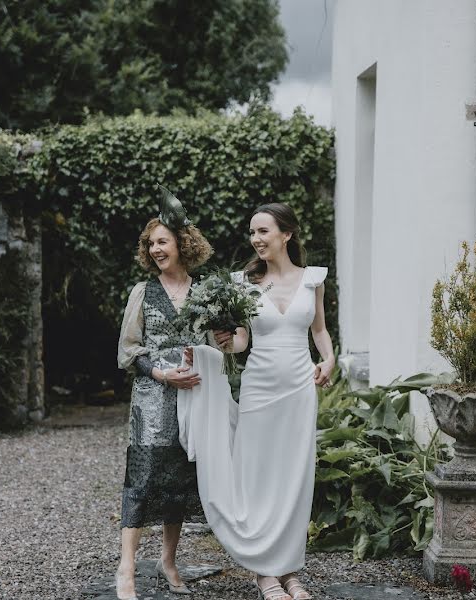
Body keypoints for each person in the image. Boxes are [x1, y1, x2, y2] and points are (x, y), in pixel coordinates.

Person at [182, 202, 335, 600]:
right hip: (259, 388)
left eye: (263, 231)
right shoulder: (245, 282)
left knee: (295, 478)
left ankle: (290, 570)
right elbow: (242, 341)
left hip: (300, 389)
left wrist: (330, 359)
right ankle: (266, 574)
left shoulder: (313, 279)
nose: (256, 239)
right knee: (260, 475)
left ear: (287, 234)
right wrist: (223, 342)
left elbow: (319, 330)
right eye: (252, 232)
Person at [114, 187, 213, 600]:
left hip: (192, 400)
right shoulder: (142, 292)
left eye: (162, 241)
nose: (156, 249)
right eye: (150, 243)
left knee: (179, 482)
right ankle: (126, 569)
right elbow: (126, 352)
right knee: (141, 479)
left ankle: (169, 561)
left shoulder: (206, 292)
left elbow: (216, 344)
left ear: (182, 243)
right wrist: (160, 373)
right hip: (152, 401)